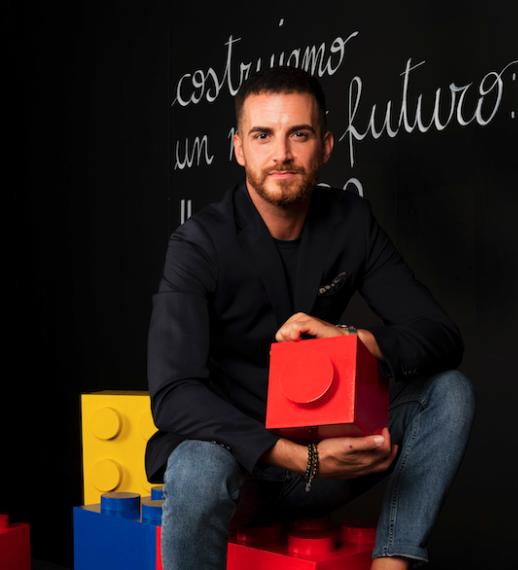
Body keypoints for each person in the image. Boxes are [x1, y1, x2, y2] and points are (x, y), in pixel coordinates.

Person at [145, 66, 475, 570]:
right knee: (195, 463)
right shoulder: (198, 243)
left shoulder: (351, 221)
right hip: (239, 469)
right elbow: (173, 393)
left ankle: (392, 562)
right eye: (263, 135)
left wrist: (356, 340)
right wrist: (298, 457)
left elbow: (441, 336)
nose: (281, 153)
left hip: (327, 457)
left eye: (298, 134)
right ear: (239, 148)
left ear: (325, 146)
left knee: (448, 392)